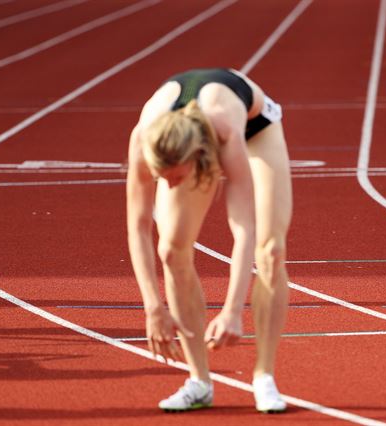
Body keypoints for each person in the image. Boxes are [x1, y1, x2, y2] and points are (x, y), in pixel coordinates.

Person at [126, 68, 291, 412]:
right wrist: (153, 308)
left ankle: (264, 376)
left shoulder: (225, 131)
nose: (169, 186)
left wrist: (233, 311)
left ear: (197, 158)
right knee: (172, 251)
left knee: (272, 249)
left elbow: (243, 226)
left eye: (177, 179)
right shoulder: (143, 139)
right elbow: (139, 226)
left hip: (255, 127)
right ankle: (198, 381)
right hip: (188, 137)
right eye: (162, 178)